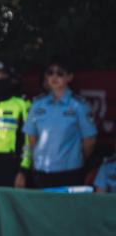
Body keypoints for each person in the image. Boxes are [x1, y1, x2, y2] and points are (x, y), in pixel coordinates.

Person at [24, 60, 97, 189]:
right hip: (41, 171)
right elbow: (32, 138)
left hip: (70, 172)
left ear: (69, 77)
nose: (54, 77)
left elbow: (89, 140)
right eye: (50, 73)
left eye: (60, 73)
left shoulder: (79, 105)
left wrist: (76, 157)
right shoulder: (37, 104)